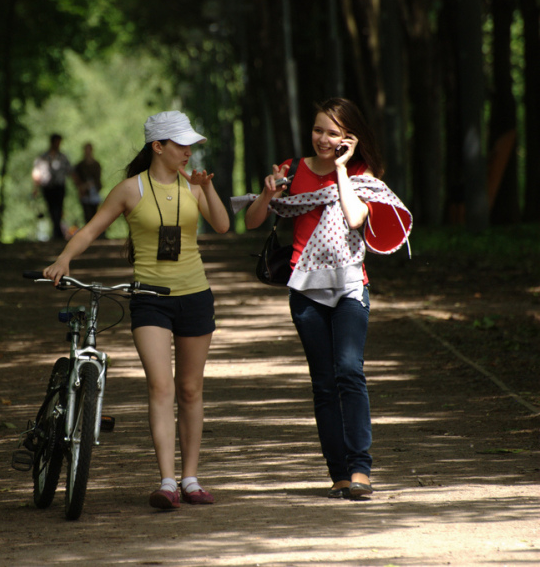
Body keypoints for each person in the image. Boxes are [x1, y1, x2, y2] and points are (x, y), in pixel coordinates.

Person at [43, 111, 230, 509]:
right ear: (157, 147)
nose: (188, 151)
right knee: (161, 387)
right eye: (180, 144)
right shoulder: (130, 189)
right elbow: (92, 229)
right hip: (150, 299)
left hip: (195, 295)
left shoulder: (193, 185)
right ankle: (166, 481)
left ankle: (191, 479)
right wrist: (64, 259)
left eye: (190, 145)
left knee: (191, 389)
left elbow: (223, 225)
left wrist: (206, 189)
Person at [243, 98, 411, 500]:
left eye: (333, 133)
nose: (323, 139)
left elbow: (356, 218)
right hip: (305, 289)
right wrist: (267, 195)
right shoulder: (292, 169)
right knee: (323, 384)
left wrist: (340, 169)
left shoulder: (359, 172)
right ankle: (338, 474)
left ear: (348, 138)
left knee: (349, 371)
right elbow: (251, 221)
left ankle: (360, 470)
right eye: (319, 130)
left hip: (352, 284)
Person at [33, 133, 73, 240]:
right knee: (51, 209)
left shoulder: (63, 157)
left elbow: (70, 172)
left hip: (60, 187)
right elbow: (37, 174)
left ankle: (57, 232)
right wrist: (35, 188)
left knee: (59, 209)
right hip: (48, 188)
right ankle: (57, 231)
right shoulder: (43, 158)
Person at [74, 142, 103, 226]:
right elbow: (76, 179)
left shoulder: (96, 164)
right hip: (84, 193)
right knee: (87, 214)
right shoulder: (80, 165)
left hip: (94, 192)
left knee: (96, 214)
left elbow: (98, 178)